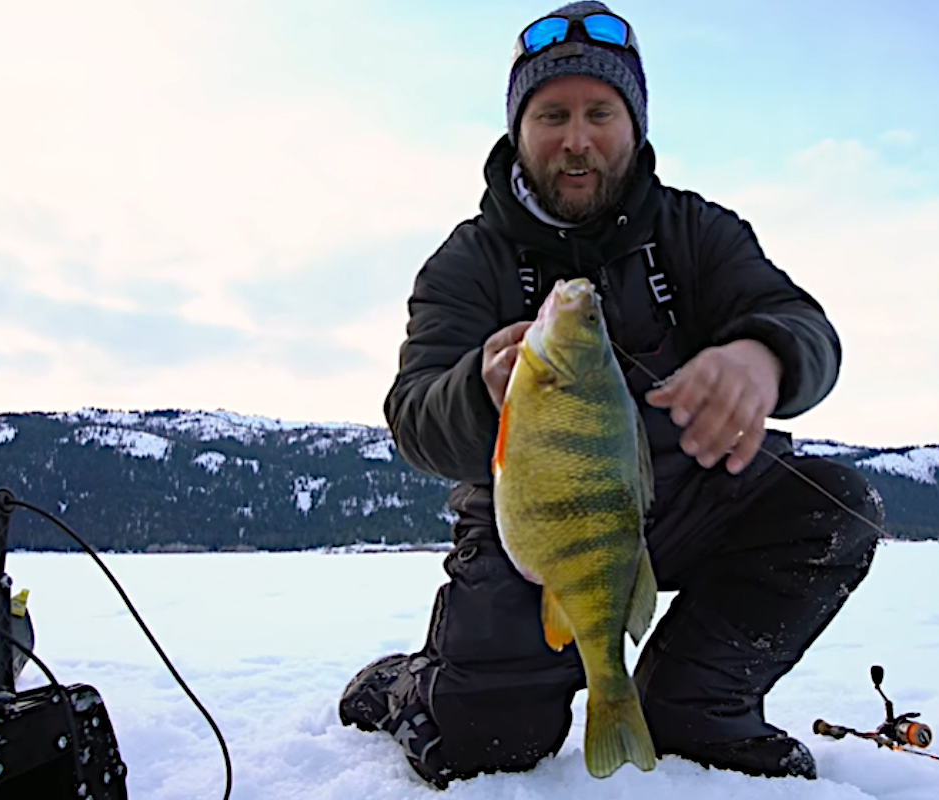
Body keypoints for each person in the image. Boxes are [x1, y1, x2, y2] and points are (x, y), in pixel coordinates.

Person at [340, 1, 882, 788]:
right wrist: (479, 386)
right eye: (551, 114)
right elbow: (414, 420)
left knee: (832, 506)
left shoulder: (698, 232)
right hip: (539, 533)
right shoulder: (468, 261)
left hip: (691, 507)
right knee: (484, 746)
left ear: (634, 125)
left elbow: (806, 329)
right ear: (518, 131)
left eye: (600, 112)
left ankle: (696, 703)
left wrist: (764, 356)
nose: (577, 138)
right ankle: (410, 686)